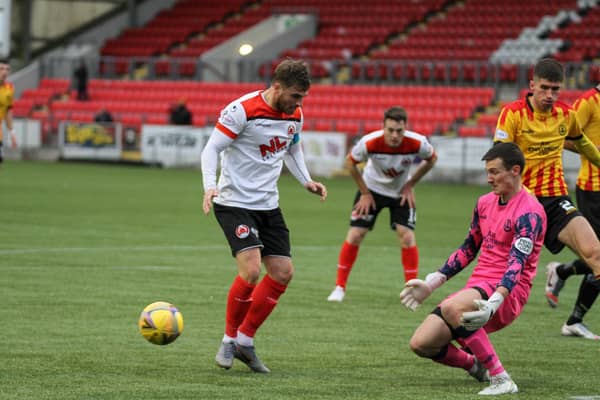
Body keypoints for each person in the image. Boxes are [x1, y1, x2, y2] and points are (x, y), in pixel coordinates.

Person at [201, 59, 327, 373]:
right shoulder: (242, 110)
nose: (298, 103)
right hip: (233, 202)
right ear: (277, 87)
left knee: (283, 272)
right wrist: (209, 186)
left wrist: (306, 180)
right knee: (252, 270)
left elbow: (292, 149)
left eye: (302, 98)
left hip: (268, 205)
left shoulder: (294, 114)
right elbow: (211, 149)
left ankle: (245, 340)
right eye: (295, 96)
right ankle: (229, 340)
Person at [400, 142, 546, 396]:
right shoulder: (484, 203)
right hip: (478, 286)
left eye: (494, 172)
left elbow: (516, 264)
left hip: (509, 291)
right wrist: (432, 283)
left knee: (451, 307)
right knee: (422, 343)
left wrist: (495, 301)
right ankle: (476, 366)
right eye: (487, 172)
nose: (489, 179)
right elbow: (468, 248)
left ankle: (502, 379)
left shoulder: (530, 212)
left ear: (515, 170)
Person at [494, 58, 600, 339]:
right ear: (532, 86)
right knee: (503, 281)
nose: (550, 95)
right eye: (545, 88)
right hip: (520, 203)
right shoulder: (512, 114)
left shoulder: (566, 114)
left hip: (555, 201)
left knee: (597, 254)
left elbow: (583, 143)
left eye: (556, 89)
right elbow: (498, 159)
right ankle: (471, 334)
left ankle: (575, 316)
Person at [327, 106, 437, 302]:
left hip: (400, 192)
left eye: (399, 131)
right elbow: (350, 163)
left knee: (407, 236)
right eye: (390, 130)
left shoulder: (417, 142)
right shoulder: (370, 142)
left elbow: (432, 159)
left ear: (405, 128)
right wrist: (364, 192)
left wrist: (411, 184)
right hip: (371, 191)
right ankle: (339, 288)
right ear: (383, 127)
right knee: (355, 235)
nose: (395, 135)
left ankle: (411, 291)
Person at [544, 83, 600, 340]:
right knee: (597, 254)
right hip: (593, 190)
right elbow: (564, 136)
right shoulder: (589, 101)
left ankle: (562, 272)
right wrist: (590, 149)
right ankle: (574, 320)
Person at [0, 58, 16, 164]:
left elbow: (8, 111)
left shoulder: (9, 88)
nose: (4, 72)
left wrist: (12, 132)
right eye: (1, 69)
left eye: (7, 69)